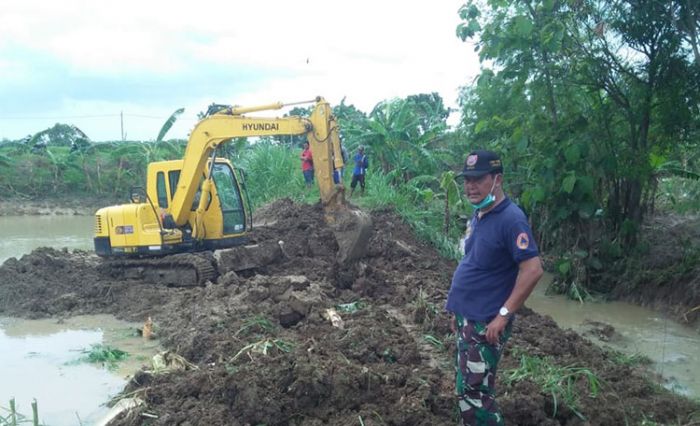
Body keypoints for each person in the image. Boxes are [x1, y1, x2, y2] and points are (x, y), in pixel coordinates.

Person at [445, 149, 543, 426]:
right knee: (469, 388)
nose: (470, 186)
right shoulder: (479, 214)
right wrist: (457, 309)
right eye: (467, 180)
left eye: (478, 179)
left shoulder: (511, 219)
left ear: (497, 179)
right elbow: (473, 262)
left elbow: (533, 269)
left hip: (486, 321)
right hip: (469, 317)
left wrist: (503, 315)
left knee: (474, 392)